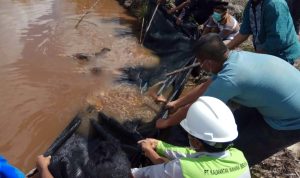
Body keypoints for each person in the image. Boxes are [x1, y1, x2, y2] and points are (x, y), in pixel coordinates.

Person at [156, 33, 300, 165]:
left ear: (209, 63)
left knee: (238, 155)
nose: (200, 65)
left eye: (200, 61)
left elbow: (197, 107)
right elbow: (207, 85)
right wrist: (176, 103)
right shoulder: (237, 57)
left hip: (291, 122)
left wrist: (166, 122)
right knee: (228, 131)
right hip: (279, 102)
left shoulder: (230, 78)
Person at [132, 96, 250, 178]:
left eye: (189, 134)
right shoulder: (238, 156)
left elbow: (138, 174)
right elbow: (187, 156)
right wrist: (160, 145)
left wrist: (147, 150)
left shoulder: (186, 169)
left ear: (197, 143)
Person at [226, 0, 300, 64]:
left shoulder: (275, 4)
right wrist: (226, 49)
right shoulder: (251, 5)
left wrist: (253, 57)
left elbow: (277, 40)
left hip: (285, 56)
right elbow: (244, 32)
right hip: (266, 54)